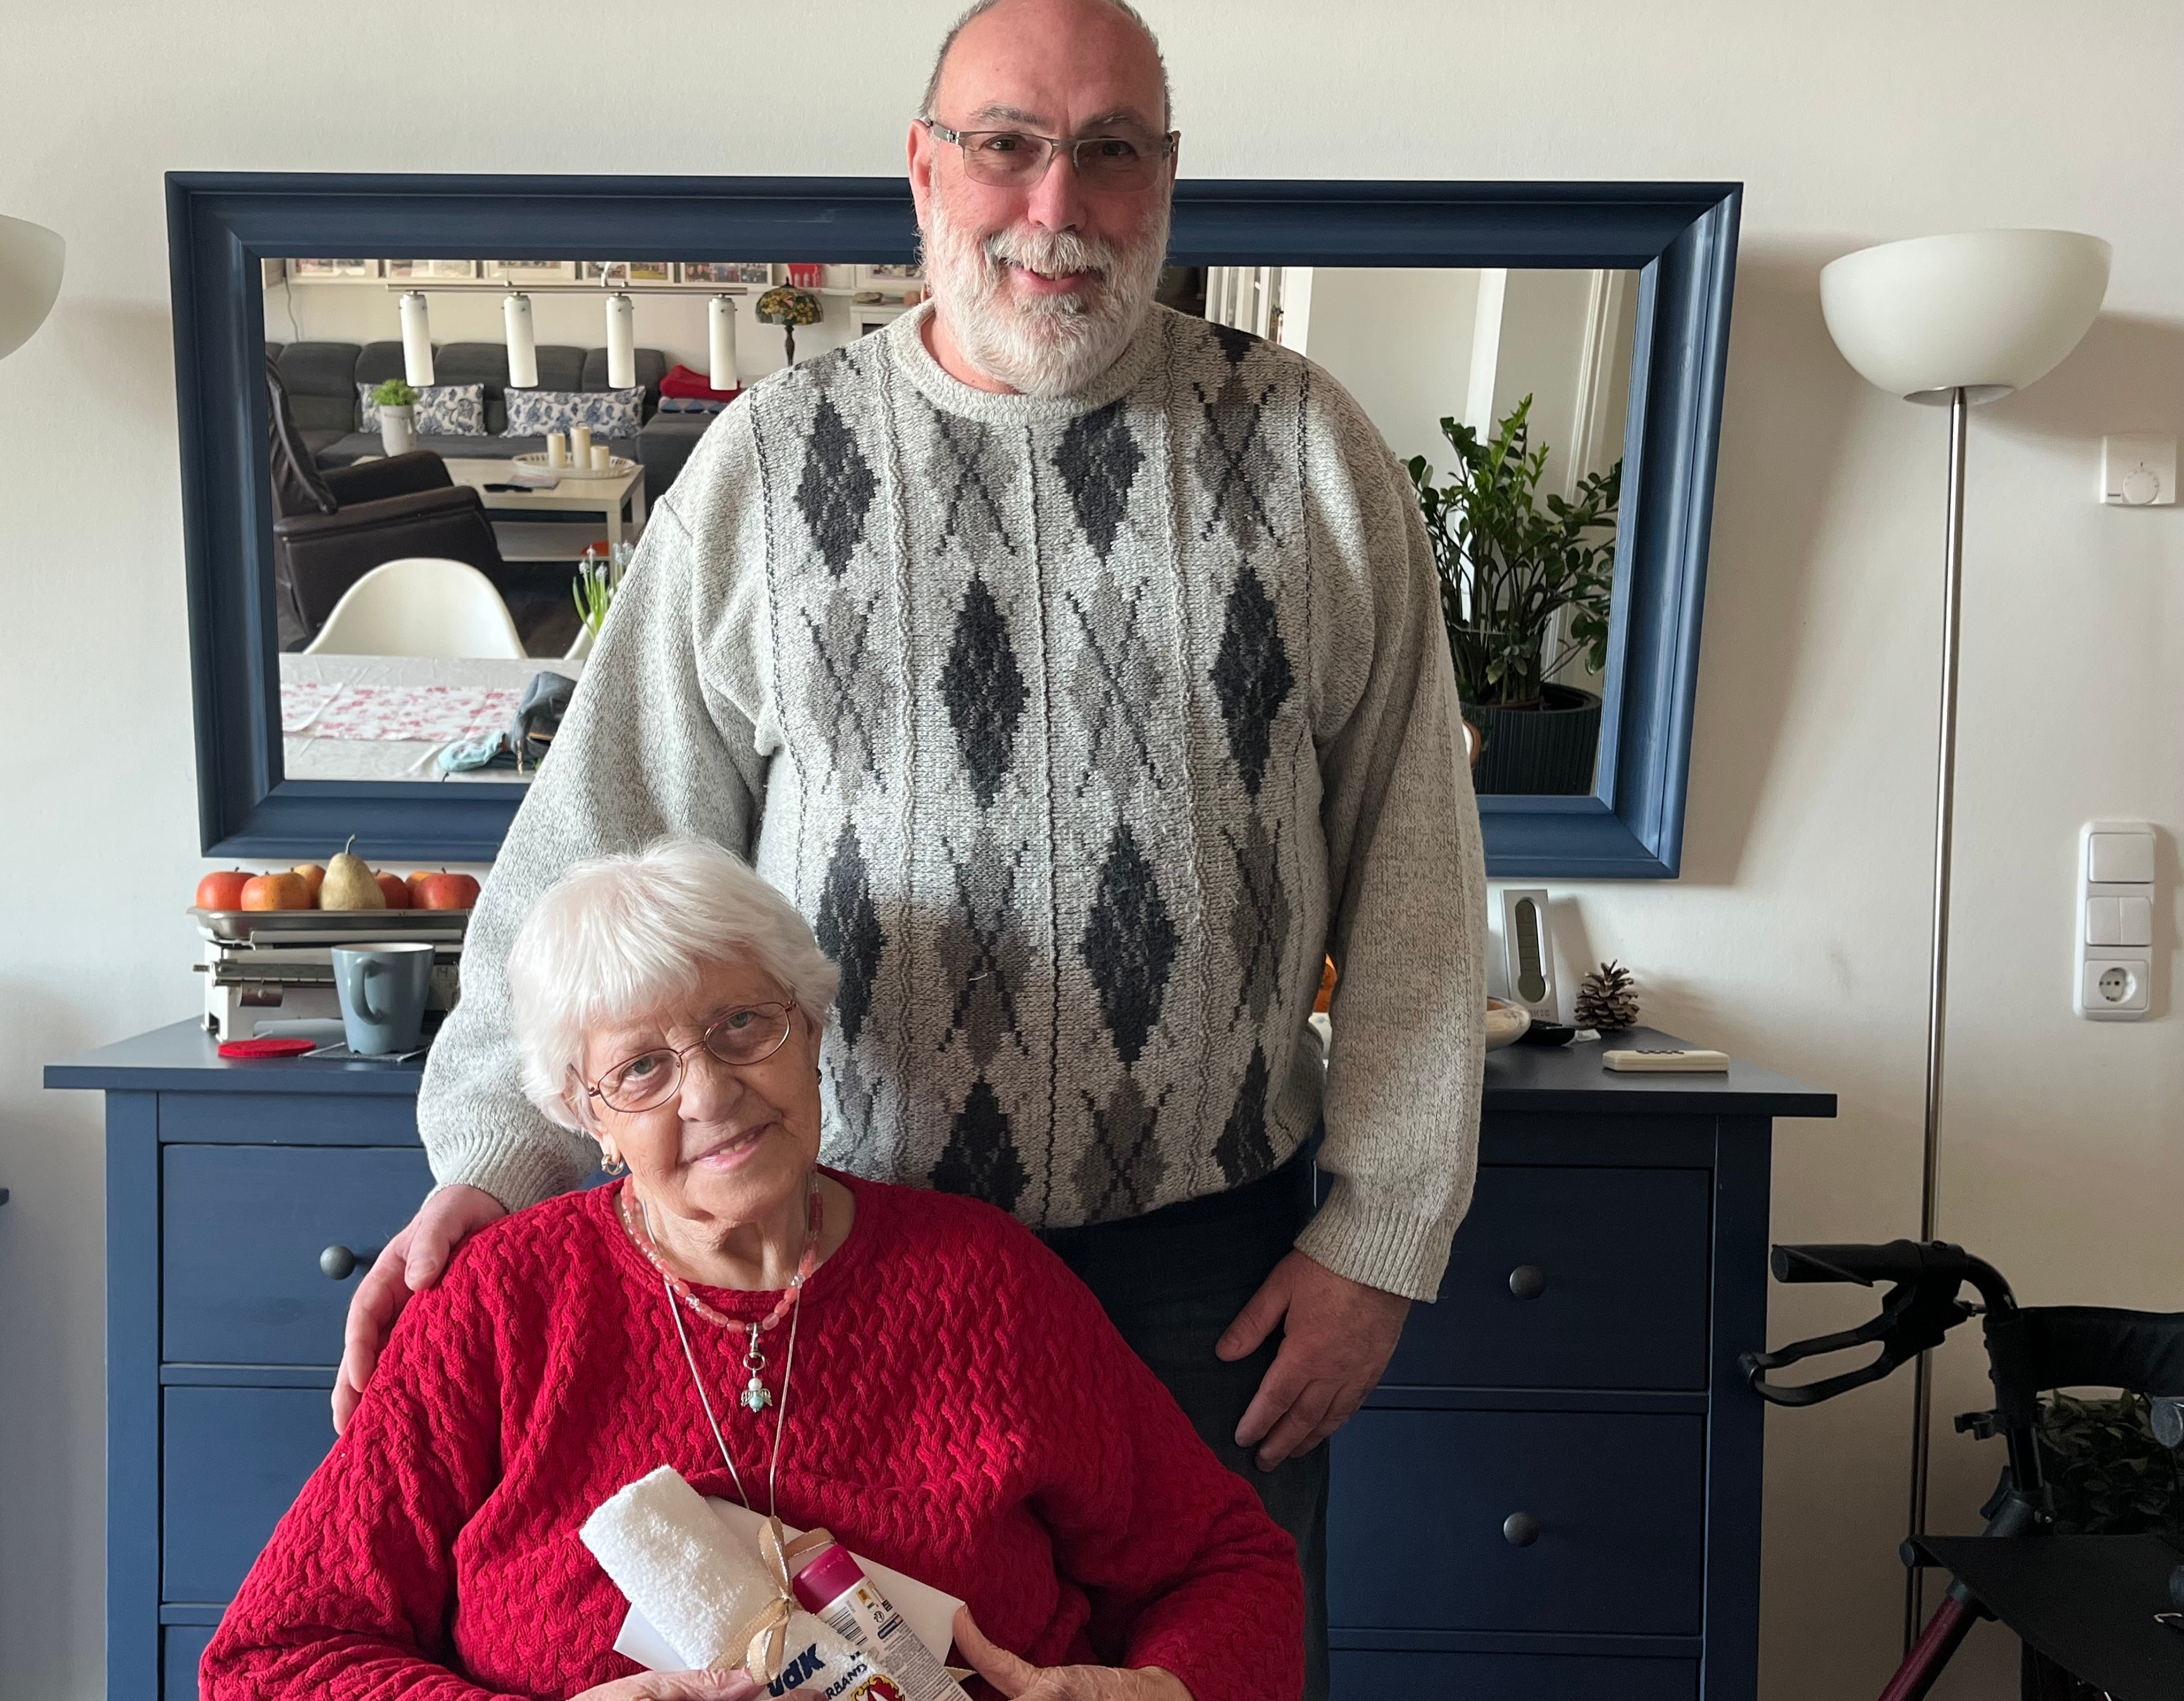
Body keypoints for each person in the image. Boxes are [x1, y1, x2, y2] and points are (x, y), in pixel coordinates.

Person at [341, 1, 1487, 1692]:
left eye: (1111, 152)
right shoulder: (766, 463)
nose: (1058, 204)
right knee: (860, 1673)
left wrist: (1379, 1237)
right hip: (850, 1273)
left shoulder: (1311, 450)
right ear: (926, 169)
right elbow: (606, 832)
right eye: (1009, 144)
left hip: (1202, 1266)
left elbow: (1416, 875)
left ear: (1167, 178)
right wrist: (492, 1164)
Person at [204, 841, 1304, 1701]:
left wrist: (1160, 1690)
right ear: (588, 1117)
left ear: (811, 1029)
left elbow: (1233, 1571)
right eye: (642, 1067)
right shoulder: (502, 1305)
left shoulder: (987, 1286)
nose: (710, 1093)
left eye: (743, 1024)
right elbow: (273, 1656)